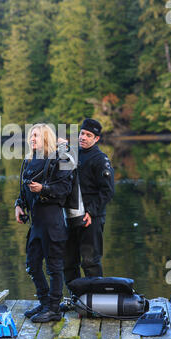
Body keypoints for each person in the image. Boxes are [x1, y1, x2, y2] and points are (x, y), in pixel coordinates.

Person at [15, 123, 73, 323]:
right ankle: (45, 302)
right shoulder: (29, 161)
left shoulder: (60, 159)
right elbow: (23, 190)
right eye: (31, 136)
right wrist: (19, 205)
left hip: (52, 222)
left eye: (36, 136)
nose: (32, 139)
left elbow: (65, 189)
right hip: (36, 224)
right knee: (32, 264)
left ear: (46, 138)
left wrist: (43, 189)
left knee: (54, 267)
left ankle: (54, 309)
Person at [62, 118, 115, 289]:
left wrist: (91, 212)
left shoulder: (100, 159)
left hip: (92, 217)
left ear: (96, 139)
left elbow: (107, 191)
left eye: (88, 135)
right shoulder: (73, 154)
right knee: (68, 262)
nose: (83, 137)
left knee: (90, 262)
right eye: (82, 133)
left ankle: (96, 301)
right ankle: (75, 299)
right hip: (70, 215)